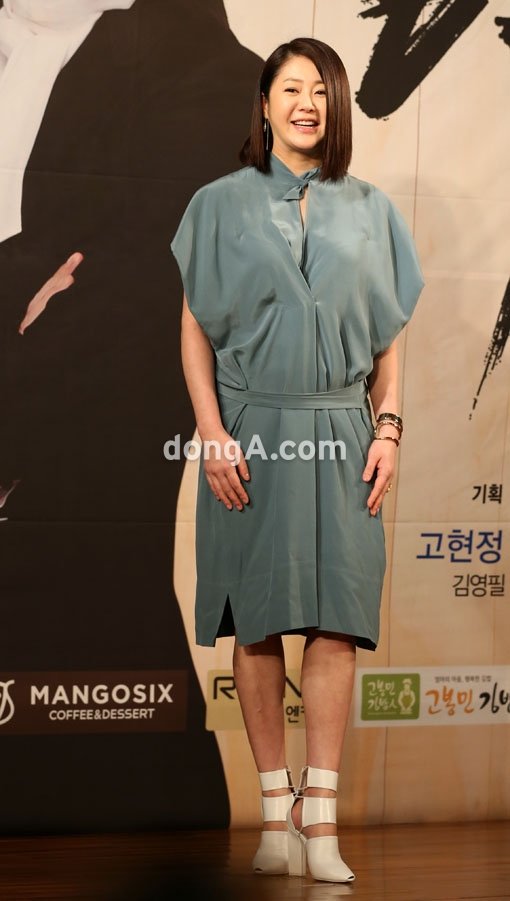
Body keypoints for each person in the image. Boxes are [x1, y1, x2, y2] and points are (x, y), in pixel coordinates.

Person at [171, 37, 424, 883]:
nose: (306, 102)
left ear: (337, 104)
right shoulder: (217, 203)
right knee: (256, 620)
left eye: (320, 89)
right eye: (290, 88)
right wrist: (211, 430)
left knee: (336, 617)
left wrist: (388, 428)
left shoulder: (373, 209)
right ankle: (274, 809)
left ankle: (322, 819)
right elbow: (194, 331)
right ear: (266, 102)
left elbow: (388, 338)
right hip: (249, 430)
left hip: (343, 431)